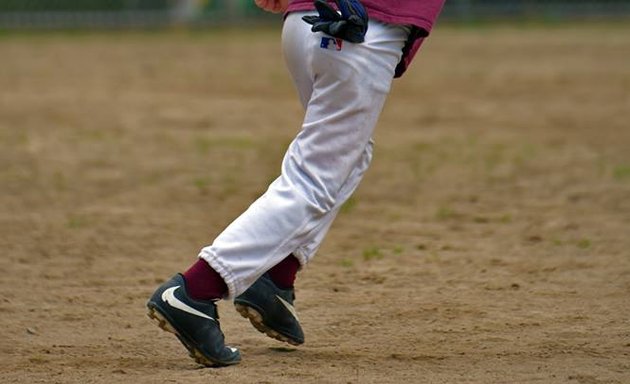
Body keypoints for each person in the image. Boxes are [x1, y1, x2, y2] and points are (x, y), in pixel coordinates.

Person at [147, 0, 445, 366]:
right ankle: (194, 290)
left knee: (348, 158)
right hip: (360, 29)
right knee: (316, 176)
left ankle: (273, 278)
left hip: (310, 24)